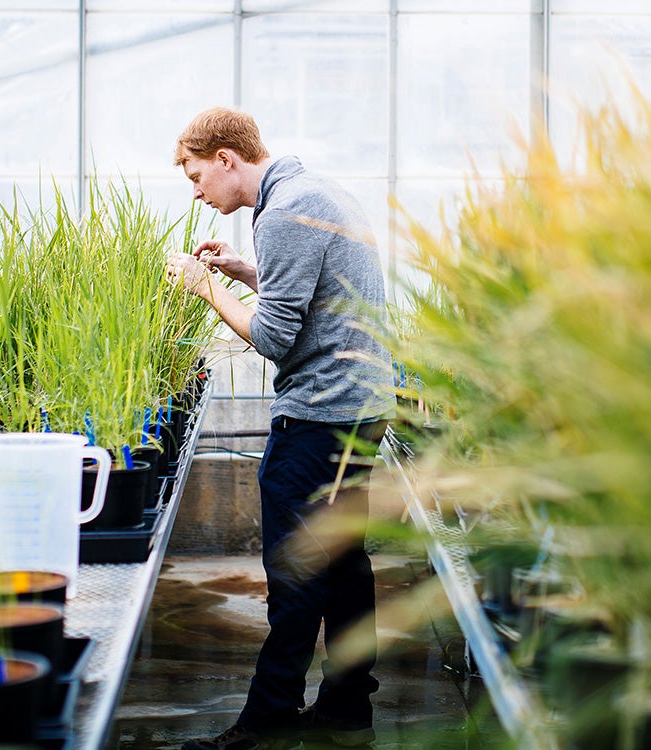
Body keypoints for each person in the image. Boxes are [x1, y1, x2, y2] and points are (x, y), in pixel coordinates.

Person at [166, 107, 396, 750]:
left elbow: (273, 336)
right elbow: (315, 294)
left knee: (296, 571)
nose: (196, 191)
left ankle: (267, 723)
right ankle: (348, 707)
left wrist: (207, 289)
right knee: (345, 563)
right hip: (358, 411)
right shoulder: (314, 193)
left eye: (195, 175)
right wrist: (244, 273)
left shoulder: (284, 213)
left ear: (226, 159)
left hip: (318, 417)